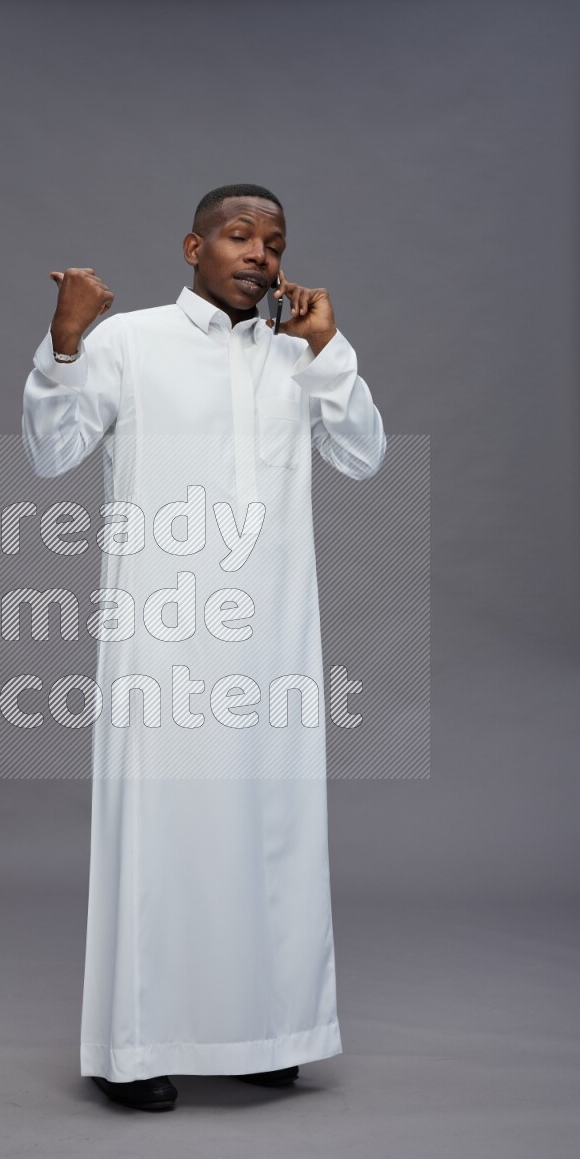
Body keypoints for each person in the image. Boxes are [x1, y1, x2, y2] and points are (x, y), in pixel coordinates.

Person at [22, 184, 386, 1112]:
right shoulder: (131, 342)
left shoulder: (295, 355)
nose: (259, 253)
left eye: (274, 241)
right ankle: (132, 1048)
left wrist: (329, 351)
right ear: (193, 246)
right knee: (160, 841)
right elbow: (51, 448)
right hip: (163, 637)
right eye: (237, 235)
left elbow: (363, 455)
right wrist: (66, 343)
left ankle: (268, 1033)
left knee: (274, 840)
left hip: (274, 644)